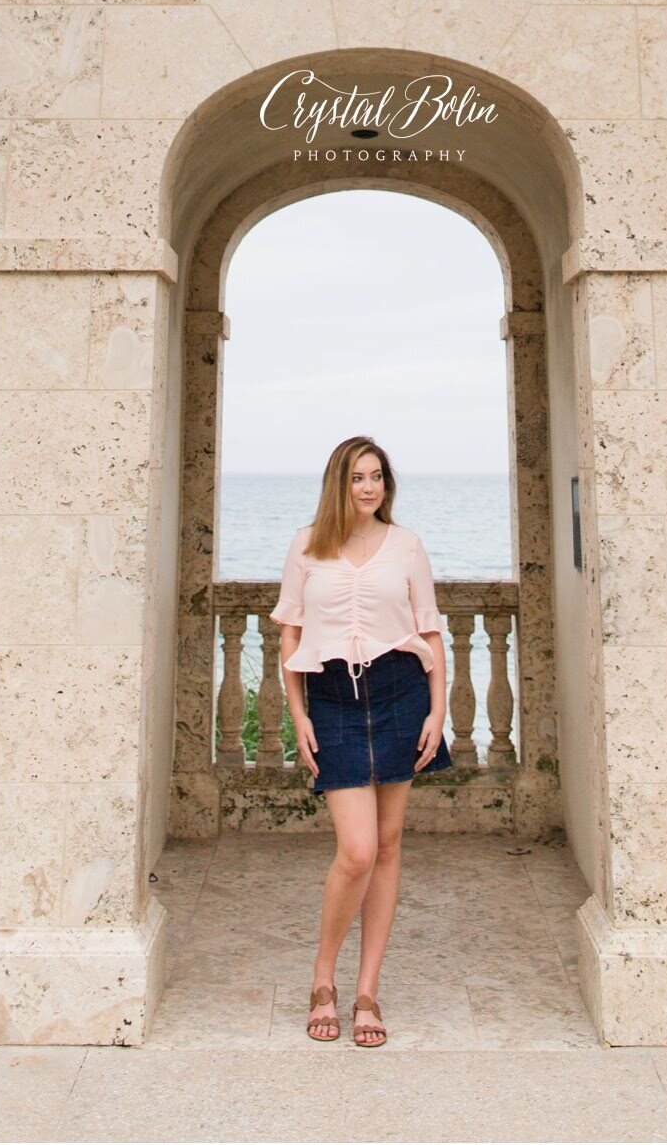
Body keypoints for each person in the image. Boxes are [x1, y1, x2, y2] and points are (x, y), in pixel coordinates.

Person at [271, 433, 453, 1047]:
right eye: (357, 477)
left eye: (376, 476)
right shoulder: (306, 547)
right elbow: (289, 638)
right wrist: (297, 714)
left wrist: (438, 710)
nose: (369, 487)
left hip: (401, 691)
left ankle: (367, 990)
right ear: (338, 485)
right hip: (331, 699)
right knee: (356, 850)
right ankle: (324, 976)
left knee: (389, 844)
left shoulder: (406, 546)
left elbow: (430, 633)